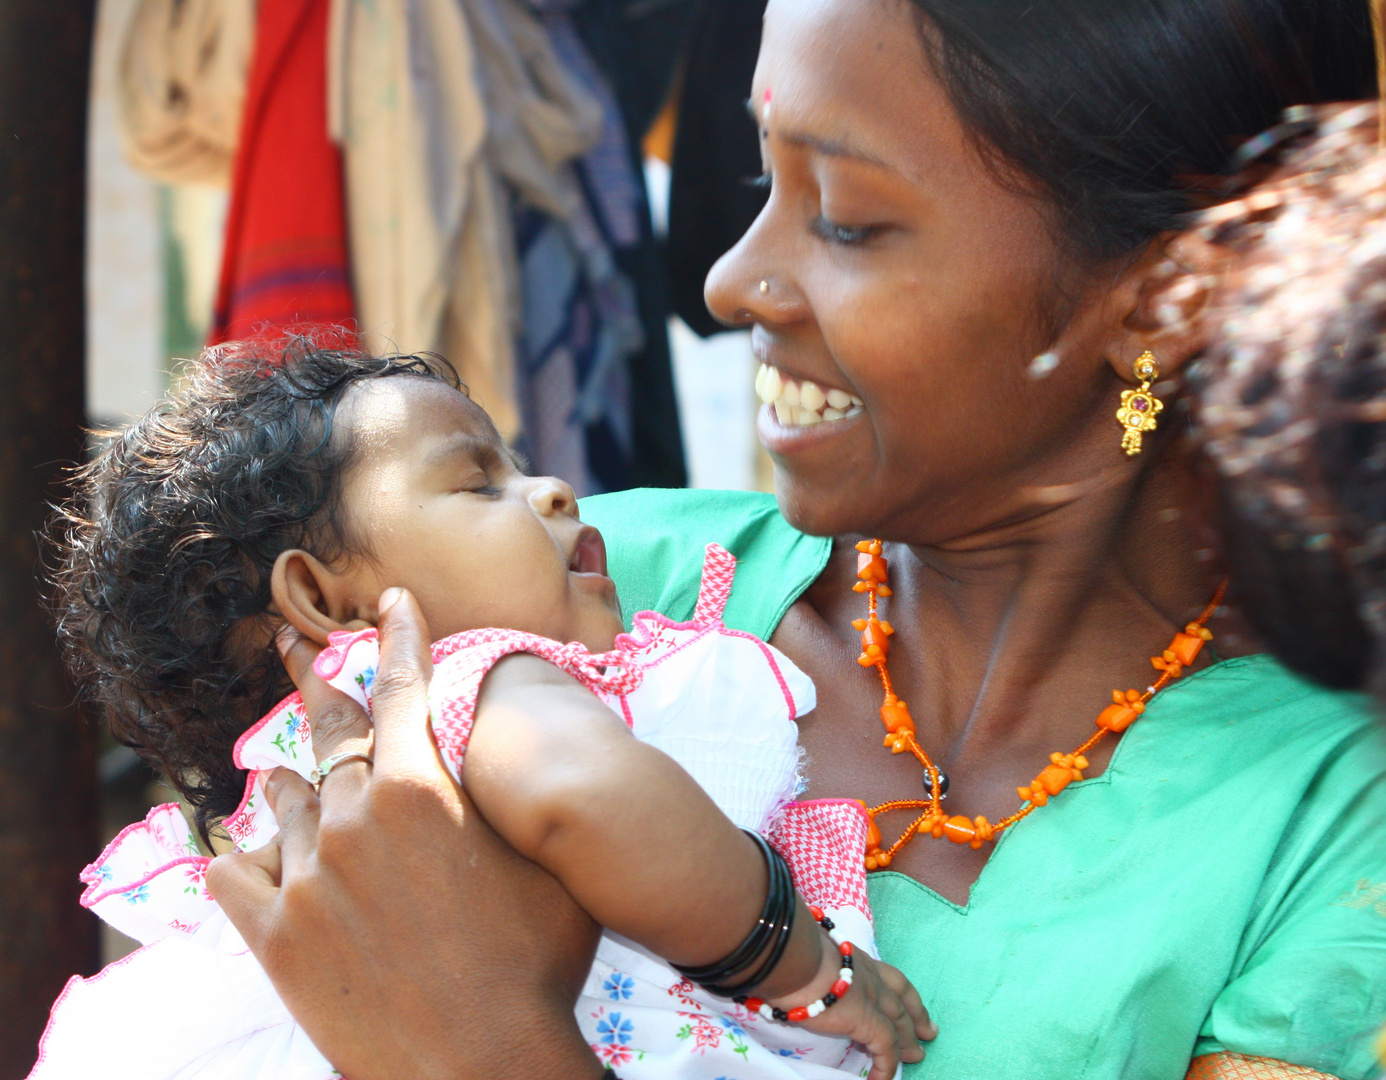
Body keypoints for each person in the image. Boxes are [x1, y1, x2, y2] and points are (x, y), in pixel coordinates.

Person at [202, 1, 1386, 1078]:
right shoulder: (564, 596)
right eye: (759, 179)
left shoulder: (1335, 829)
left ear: (1161, 298)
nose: (731, 278)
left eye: (851, 221)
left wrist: (491, 1049)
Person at [35, 341, 932, 1080]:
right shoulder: (476, 677)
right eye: (478, 484)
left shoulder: (324, 765)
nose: (551, 491)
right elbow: (587, 793)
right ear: (327, 600)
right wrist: (800, 967)